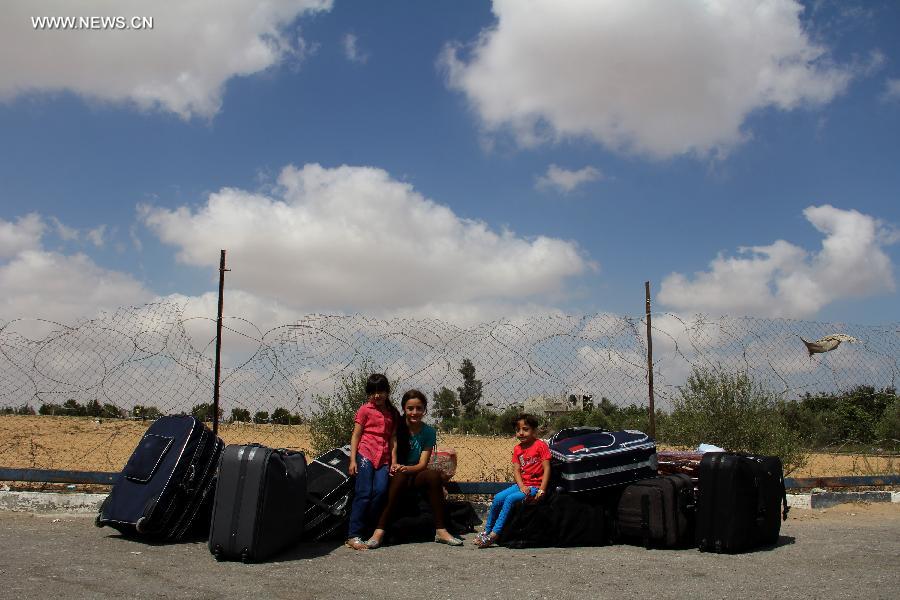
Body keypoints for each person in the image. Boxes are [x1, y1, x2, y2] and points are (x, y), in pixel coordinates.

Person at [365, 389, 463, 548]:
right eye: (410, 408)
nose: (414, 412)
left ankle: (440, 530)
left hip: (414, 472)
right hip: (395, 473)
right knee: (400, 476)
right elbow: (393, 449)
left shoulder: (429, 432)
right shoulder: (397, 425)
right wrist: (396, 465)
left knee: (433, 476)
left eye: (419, 408)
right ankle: (379, 530)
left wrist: (408, 468)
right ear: (404, 408)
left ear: (425, 410)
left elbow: (422, 464)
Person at [474, 413, 551, 548]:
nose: (521, 433)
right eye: (518, 430)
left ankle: (494, 534)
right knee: (498, 498)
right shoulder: (518, 449)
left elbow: (547, 468)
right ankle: (487, 530)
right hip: (522, 485)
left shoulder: (540, 446)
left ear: (534, 430)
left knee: (510, 499)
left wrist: (542, 489)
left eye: (525, 429)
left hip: (535, 486)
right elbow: (516, 470)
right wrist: (521, 486)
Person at [346, 373, 398, 550]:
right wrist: (353, 460)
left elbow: (392, 439)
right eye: (373, 391)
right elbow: (356, 435)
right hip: (366, 455)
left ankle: (370, 529)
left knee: (381, 491)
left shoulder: (391, 413)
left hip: (383, 458)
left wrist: (393, 461)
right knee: (364, 492)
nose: (378, 395)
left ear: (387, 392)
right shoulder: (364, 410)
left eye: (381, 391)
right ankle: (353, 534)